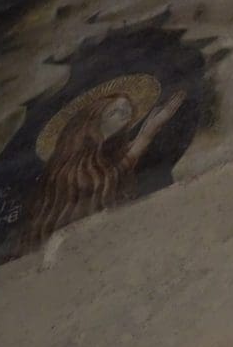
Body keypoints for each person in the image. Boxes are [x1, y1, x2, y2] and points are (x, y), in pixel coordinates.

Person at [21, 75, 185, 251]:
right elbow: (93, 182)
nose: (124, 116)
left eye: (127, 110)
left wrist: (150, 128)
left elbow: (121, 162)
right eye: (114, 112)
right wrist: (146, 135)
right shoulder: (69, 165)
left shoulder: (111, 153)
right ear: (91, 122)